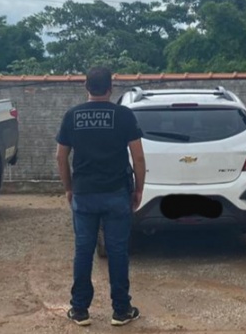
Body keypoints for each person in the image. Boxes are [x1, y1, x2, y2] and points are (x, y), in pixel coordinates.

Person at [55, 66, 146, 327]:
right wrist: (139, 189)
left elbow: (61, 156)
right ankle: (121, 310)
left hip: (84, 193)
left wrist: (69, 188)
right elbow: (138, 157)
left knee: (83, 251)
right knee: (117, 251)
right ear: (110, 88)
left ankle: (80, 310)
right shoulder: (123, 115)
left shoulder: (72, 116)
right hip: (116, 193)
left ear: (86, 86)